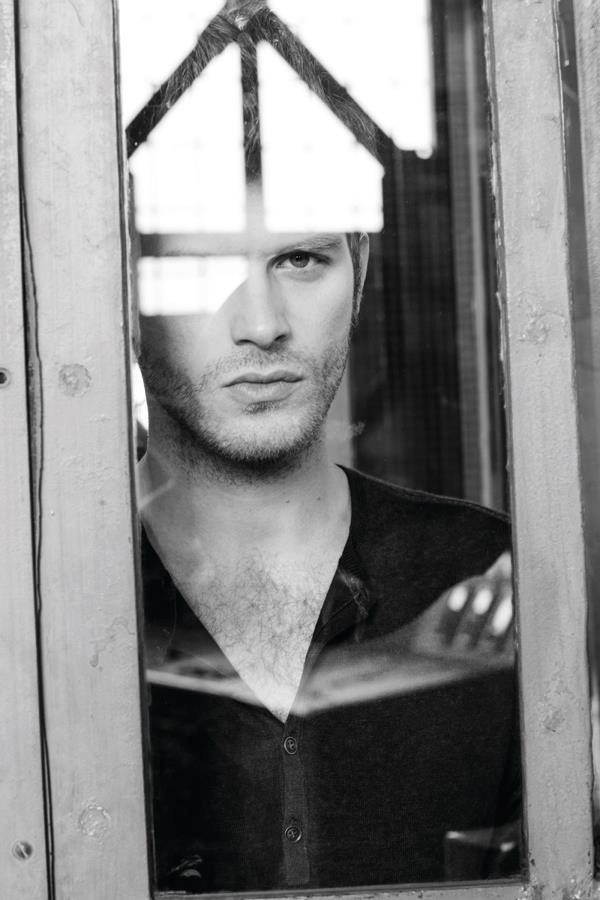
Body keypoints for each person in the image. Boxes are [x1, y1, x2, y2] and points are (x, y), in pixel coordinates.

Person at [135, 2, 520, 892]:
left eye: (301, 260)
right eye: (200, 266)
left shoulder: (485, 573)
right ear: (122, 295)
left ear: (361, 272)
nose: (262, 323)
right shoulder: (50, 608)